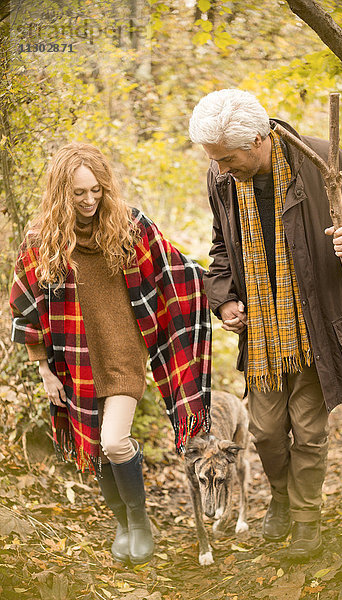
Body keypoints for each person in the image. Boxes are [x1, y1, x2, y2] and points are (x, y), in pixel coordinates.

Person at [189, 89, 342, 559]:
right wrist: (224, 301)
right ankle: (279, 497)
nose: (220, 168)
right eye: (214, 160)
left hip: (317, 326)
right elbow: (221, 250)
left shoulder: (320, 162)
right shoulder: (221, 181)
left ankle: (305, 518)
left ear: (259, 139)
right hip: (262, 333)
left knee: (310, 430)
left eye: (227, 158)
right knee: (263, 430)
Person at [9, 142, 211, 566]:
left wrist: (225, 290)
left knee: (114, 440)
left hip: (122, 355)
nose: (88, 200)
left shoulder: (129, 225)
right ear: (61, 191)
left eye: (96, 191)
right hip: (74, 362)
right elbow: (25, 307)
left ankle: (139, 521)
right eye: (79, 193)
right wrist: (44, 370)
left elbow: (178, 269)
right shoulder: (41, 240)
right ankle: (122, 522)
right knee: (98, 447)